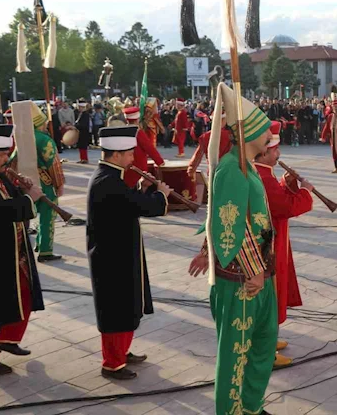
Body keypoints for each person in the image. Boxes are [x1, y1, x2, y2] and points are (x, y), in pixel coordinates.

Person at [187, 84, 277, 415]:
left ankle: (251, 405)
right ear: (250, 132)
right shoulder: (232, 168)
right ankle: (231, 410)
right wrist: (254, 269)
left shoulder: (247, 165)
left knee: (263, 343)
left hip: (261, 274)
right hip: (242, 280)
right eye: (266, 128)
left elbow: (224, 215)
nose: (270, 133)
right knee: (236, 353)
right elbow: (228, 222)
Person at [87, 126, 171, 380]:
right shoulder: (107, 181)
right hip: (111, 256)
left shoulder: (112, 177)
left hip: (119, 251)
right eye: (129, 154)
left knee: (126, 303)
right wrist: (160, 195)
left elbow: (126, 203)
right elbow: (137, 206)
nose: (133, 159)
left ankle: (121, 351)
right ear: (116, 155)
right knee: (116, 307)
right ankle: (112, 363)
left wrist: (144, 188)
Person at [0, 124, 45, 375]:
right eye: (2, 155)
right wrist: (31, 199)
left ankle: (5, 339)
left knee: (22, 295)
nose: (7, 160)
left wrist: (23, 189)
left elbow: (10, 198)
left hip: (9, 250)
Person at [254, 122, 313, 368]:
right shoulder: (262, 176)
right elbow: (284, 207)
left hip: (275, 241)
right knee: (271, 296)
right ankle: (265, 347)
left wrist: (287, 185)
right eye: (275, 150)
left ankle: (268, 339)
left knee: (275, 294)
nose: (279, 155)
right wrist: (306, 193)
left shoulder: (265, 174)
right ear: (265, 152)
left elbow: (276, 200)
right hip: (269, 246)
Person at [27, 102, 65, 262]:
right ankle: (45, 250)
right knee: (47, 216)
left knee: (36, 214)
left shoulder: (23, 137)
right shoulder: (44, 139)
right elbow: (54, 165)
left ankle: (38, 244)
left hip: (27, 182)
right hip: (45, 182)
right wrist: (59, 183)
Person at [75, 98, 92, 164]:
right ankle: (82, 158)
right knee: (81, 146)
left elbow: (83, 125)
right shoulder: (81, 114)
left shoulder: (85, 114)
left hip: (84, 132)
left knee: (83, 146)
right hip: (81, 132)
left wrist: (76, 126)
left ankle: (84, 159)